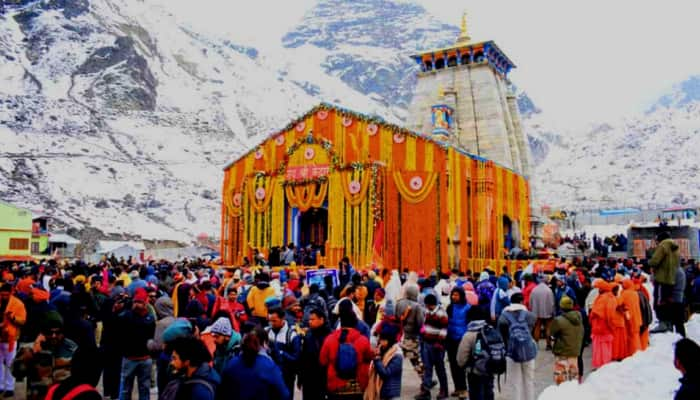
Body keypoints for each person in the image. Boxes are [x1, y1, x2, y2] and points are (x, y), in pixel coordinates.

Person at [12, 314, 78, 400]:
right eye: (49, 332)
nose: (54, 336)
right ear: (42, 332)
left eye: (57, 332)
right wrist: (32, 354)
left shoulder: (72, 348)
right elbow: (16, 372)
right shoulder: (31, 349)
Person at [320, 299, 373, 400]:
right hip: (357, 386)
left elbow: (323, 361)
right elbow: (369, 358)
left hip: (335, 385)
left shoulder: (330, 339)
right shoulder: (363, 340)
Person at [218, 328, 290, 400]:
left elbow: (221, 392)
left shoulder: (231, 364)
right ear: (261, 345)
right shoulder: (269, 366)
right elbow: (284, 394)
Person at [116, 288, 156, 400]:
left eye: (140, 302)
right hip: (130, 358)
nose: (137, 304)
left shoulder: (149, 318)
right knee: (126, 389)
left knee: (143, 389)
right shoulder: (126, 316)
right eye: (135, 302)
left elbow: (151, 337)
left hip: (143, 358)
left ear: (145, 303)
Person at [497, 293, 537, 400]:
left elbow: (500, 336)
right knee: (529, 380)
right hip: (528, 351)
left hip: (511, 352)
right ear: (522, 301)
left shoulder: (503, 317)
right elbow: (533, 324)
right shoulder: (529, 315)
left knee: (515, 382)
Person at [457, 307, 497, 400]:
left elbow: (461, 359)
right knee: (489, 392)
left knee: (476, 394)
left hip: (474, 372)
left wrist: (464, 366)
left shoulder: (469, 335)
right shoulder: (491, 330)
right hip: (490, 369)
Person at [416, 293, 449, 400]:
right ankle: (426, 391)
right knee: (427, 368)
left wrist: (439, 343)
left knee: (440, 368)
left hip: (437, 345)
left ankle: (444, 390)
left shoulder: (441, 314)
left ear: (431, 304)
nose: (426, 307)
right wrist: (423, 332)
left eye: (427, 305)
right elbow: (425, 324)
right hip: (427, 343)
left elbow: (444, 330)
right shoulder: (427, 312)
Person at [649, 232, 679, 333]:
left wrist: (649, 260)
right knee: (668, 300)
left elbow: (654, 261)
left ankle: (662, 323)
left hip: (662, 279)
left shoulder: (663, 246)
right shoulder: (674, 247)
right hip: (671, 279)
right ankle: (668, 323)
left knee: (659, 301)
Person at [266, 307, 301, 395]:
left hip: (286, 377)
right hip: (270, 375)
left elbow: (296, 359)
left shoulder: (292, 335)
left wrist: (282, 353)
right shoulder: (267, 332)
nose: (272, 323)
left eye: (274, 321)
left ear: (282, 319)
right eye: (270, 321)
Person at [0, 282, 26, 397]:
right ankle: (0, 386)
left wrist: (13, 318)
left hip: (10, 338)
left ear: (11, 293)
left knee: (10, 363)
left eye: (6, 295)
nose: (4, 297)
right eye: (2, 295)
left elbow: (22, 321)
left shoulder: (18, 304)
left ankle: (9, 387)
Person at [550, 296, 584, 385]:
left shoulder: (558, 320)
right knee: (573, 375)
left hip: (562, 351)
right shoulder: (579, 318)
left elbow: (551, 333)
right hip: (575, 351)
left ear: (561, 307)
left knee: (560, 375)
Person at [395, 283, 425, 379]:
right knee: (415, 359)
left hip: (400, 335)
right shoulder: (417, 306)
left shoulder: (399, 303)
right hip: (411, 336)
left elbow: (396, 317)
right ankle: (424, 379)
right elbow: (420, 322)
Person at [300, 308, 331, 400]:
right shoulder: (308, 335)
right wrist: (301, 377)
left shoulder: (330, 336)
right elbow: (303, 357)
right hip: (309, 378)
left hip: (323, 378)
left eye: (312, 319)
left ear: (321, 320)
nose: (310, 322)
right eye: (309, 319)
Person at [365, 324, 402, 400]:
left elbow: (385, 373)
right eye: (380, 339)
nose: (380, 342)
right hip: (382, 390)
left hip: (389, 392)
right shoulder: (383, 350)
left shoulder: (397, 355)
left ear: (389, 340)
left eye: (383, 340)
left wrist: (377, 359)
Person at [446, 287, 470, 399]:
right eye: (453, 295)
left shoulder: (467, 308)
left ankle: (464, 389)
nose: (454, 297)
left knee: (461, 364)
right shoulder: (449, 307)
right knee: (452, 364)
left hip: (462, 339)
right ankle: (457, 388)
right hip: (451, 339)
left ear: (461, 296)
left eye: (456, 295)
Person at [589, 280, 616, 369]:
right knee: (605, 348)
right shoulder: (611, 297)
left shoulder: (603, 298)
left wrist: (592, 315)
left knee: (600, 348)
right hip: (605, 327)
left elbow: (598, 312)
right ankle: (605, 365)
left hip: (600, 327)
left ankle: (601, 365)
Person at [529, 276, 555, 350]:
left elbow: (530, 302)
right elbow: (551, 302)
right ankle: (548, 344)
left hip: (536, 312)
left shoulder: (534, 290)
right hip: (547, 311)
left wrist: (532, 311)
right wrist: (552, 311)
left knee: (537, 327)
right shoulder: (548, 290)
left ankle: (536, 345)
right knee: (548, 327)